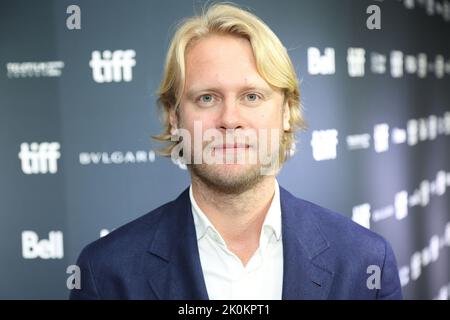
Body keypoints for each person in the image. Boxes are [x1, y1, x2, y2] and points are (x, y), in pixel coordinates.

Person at [70, 3, 402, 300]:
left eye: (252, 96)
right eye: (207, 98)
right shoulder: (106, 274)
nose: (230, 120)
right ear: (174, 117)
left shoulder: (366, 262)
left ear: (286, 112)